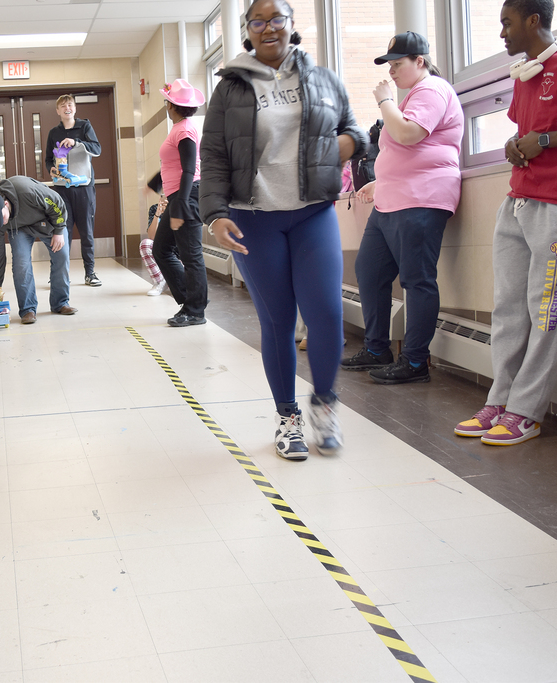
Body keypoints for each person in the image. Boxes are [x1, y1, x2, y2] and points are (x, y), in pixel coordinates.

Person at [200, 0, 367, 460]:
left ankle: (325, 404)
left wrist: (338, 145)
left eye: (278, 19)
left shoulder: (322, 78)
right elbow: (212, 155)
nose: (269, 27)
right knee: (277, 321)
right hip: (254, 218)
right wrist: (214, 215)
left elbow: (355, 131)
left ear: (292, 26)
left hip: (312, 213)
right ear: (246, 31)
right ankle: (288, 417)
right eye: (258, 21)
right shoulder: (229, 90)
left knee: (328, 314)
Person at [455, 0, 557, 446]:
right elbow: (527, 131)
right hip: (518, 200)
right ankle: (499, 399)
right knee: (507, 309)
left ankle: (526, 410)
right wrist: (514, 144)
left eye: (507, 22)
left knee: (546, 311)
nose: (502, 32)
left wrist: (543, 140)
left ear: (533, 20)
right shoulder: (524, 74)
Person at [341, 31, 464, 384]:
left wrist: (385, 101)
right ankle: (377, 348)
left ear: (419, 62)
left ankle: (414, 361)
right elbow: (405, 149)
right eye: (390, 66)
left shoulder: (432, 90)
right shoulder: (412, 97)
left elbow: (410, 134)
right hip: (394, 199)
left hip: (421, 199)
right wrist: (383, 179)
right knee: (369, 270)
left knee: (416, 279)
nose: (391, 72)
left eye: (397, 64)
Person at [0, 175, 76, 325]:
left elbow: (57, 203)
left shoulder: (27, 192)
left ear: (6, 204)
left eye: (2, 217)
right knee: (21, 262)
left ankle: (60, 303)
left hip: (48, 220)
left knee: (62, 256)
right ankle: (28, 309)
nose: (1, 222)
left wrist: (59, 230)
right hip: (20, 228)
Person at [153, 78, 209, 328]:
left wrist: (181, 206)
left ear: (172, 105)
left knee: (191, 255)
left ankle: (195, 310)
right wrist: (154, 185)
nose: (166, 105)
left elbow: (189, 170)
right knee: (161, 249)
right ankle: (190, 300)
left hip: (187, 196)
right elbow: (172, 164)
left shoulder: (184, 130)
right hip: (179, 195)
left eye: (167, 101)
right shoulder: (180, 127)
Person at [45, 94, 103, 287]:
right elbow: (47, 159)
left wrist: (76, 143)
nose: (67, 108)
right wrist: (50, 169)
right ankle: (61, 274)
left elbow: (97, 149)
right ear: (58, 111)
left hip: (83, 187)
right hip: (61, 189)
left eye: (70, 105)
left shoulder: (85, 126)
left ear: (75, 108)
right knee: (62, 231)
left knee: (86, 231)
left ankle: (90, 273)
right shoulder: (54, 132)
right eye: (63, 106)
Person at [142, 196, 169, 296]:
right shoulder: (154, 208)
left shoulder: (181, 207)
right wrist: (158, 214)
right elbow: (152, 236)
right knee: (145, 244)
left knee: (182, 284)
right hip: (162, 250)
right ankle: (159, 282)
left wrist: (171, 213)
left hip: (179, 253)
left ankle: (172, 281)